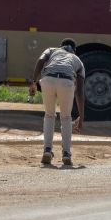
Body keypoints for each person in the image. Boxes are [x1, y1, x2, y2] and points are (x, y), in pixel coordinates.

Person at [29, 38, 86, 166]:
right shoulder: (77, 60)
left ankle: (47, 150)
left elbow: (40, 61)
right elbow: (80, 92)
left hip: (48, 79)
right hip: (67, 82)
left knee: (49, 116)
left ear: (60, 46)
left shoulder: (51, 50)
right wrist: (81, 118)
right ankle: (66, 153)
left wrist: (33, 82)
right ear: (74, 51)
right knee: (66, 118)